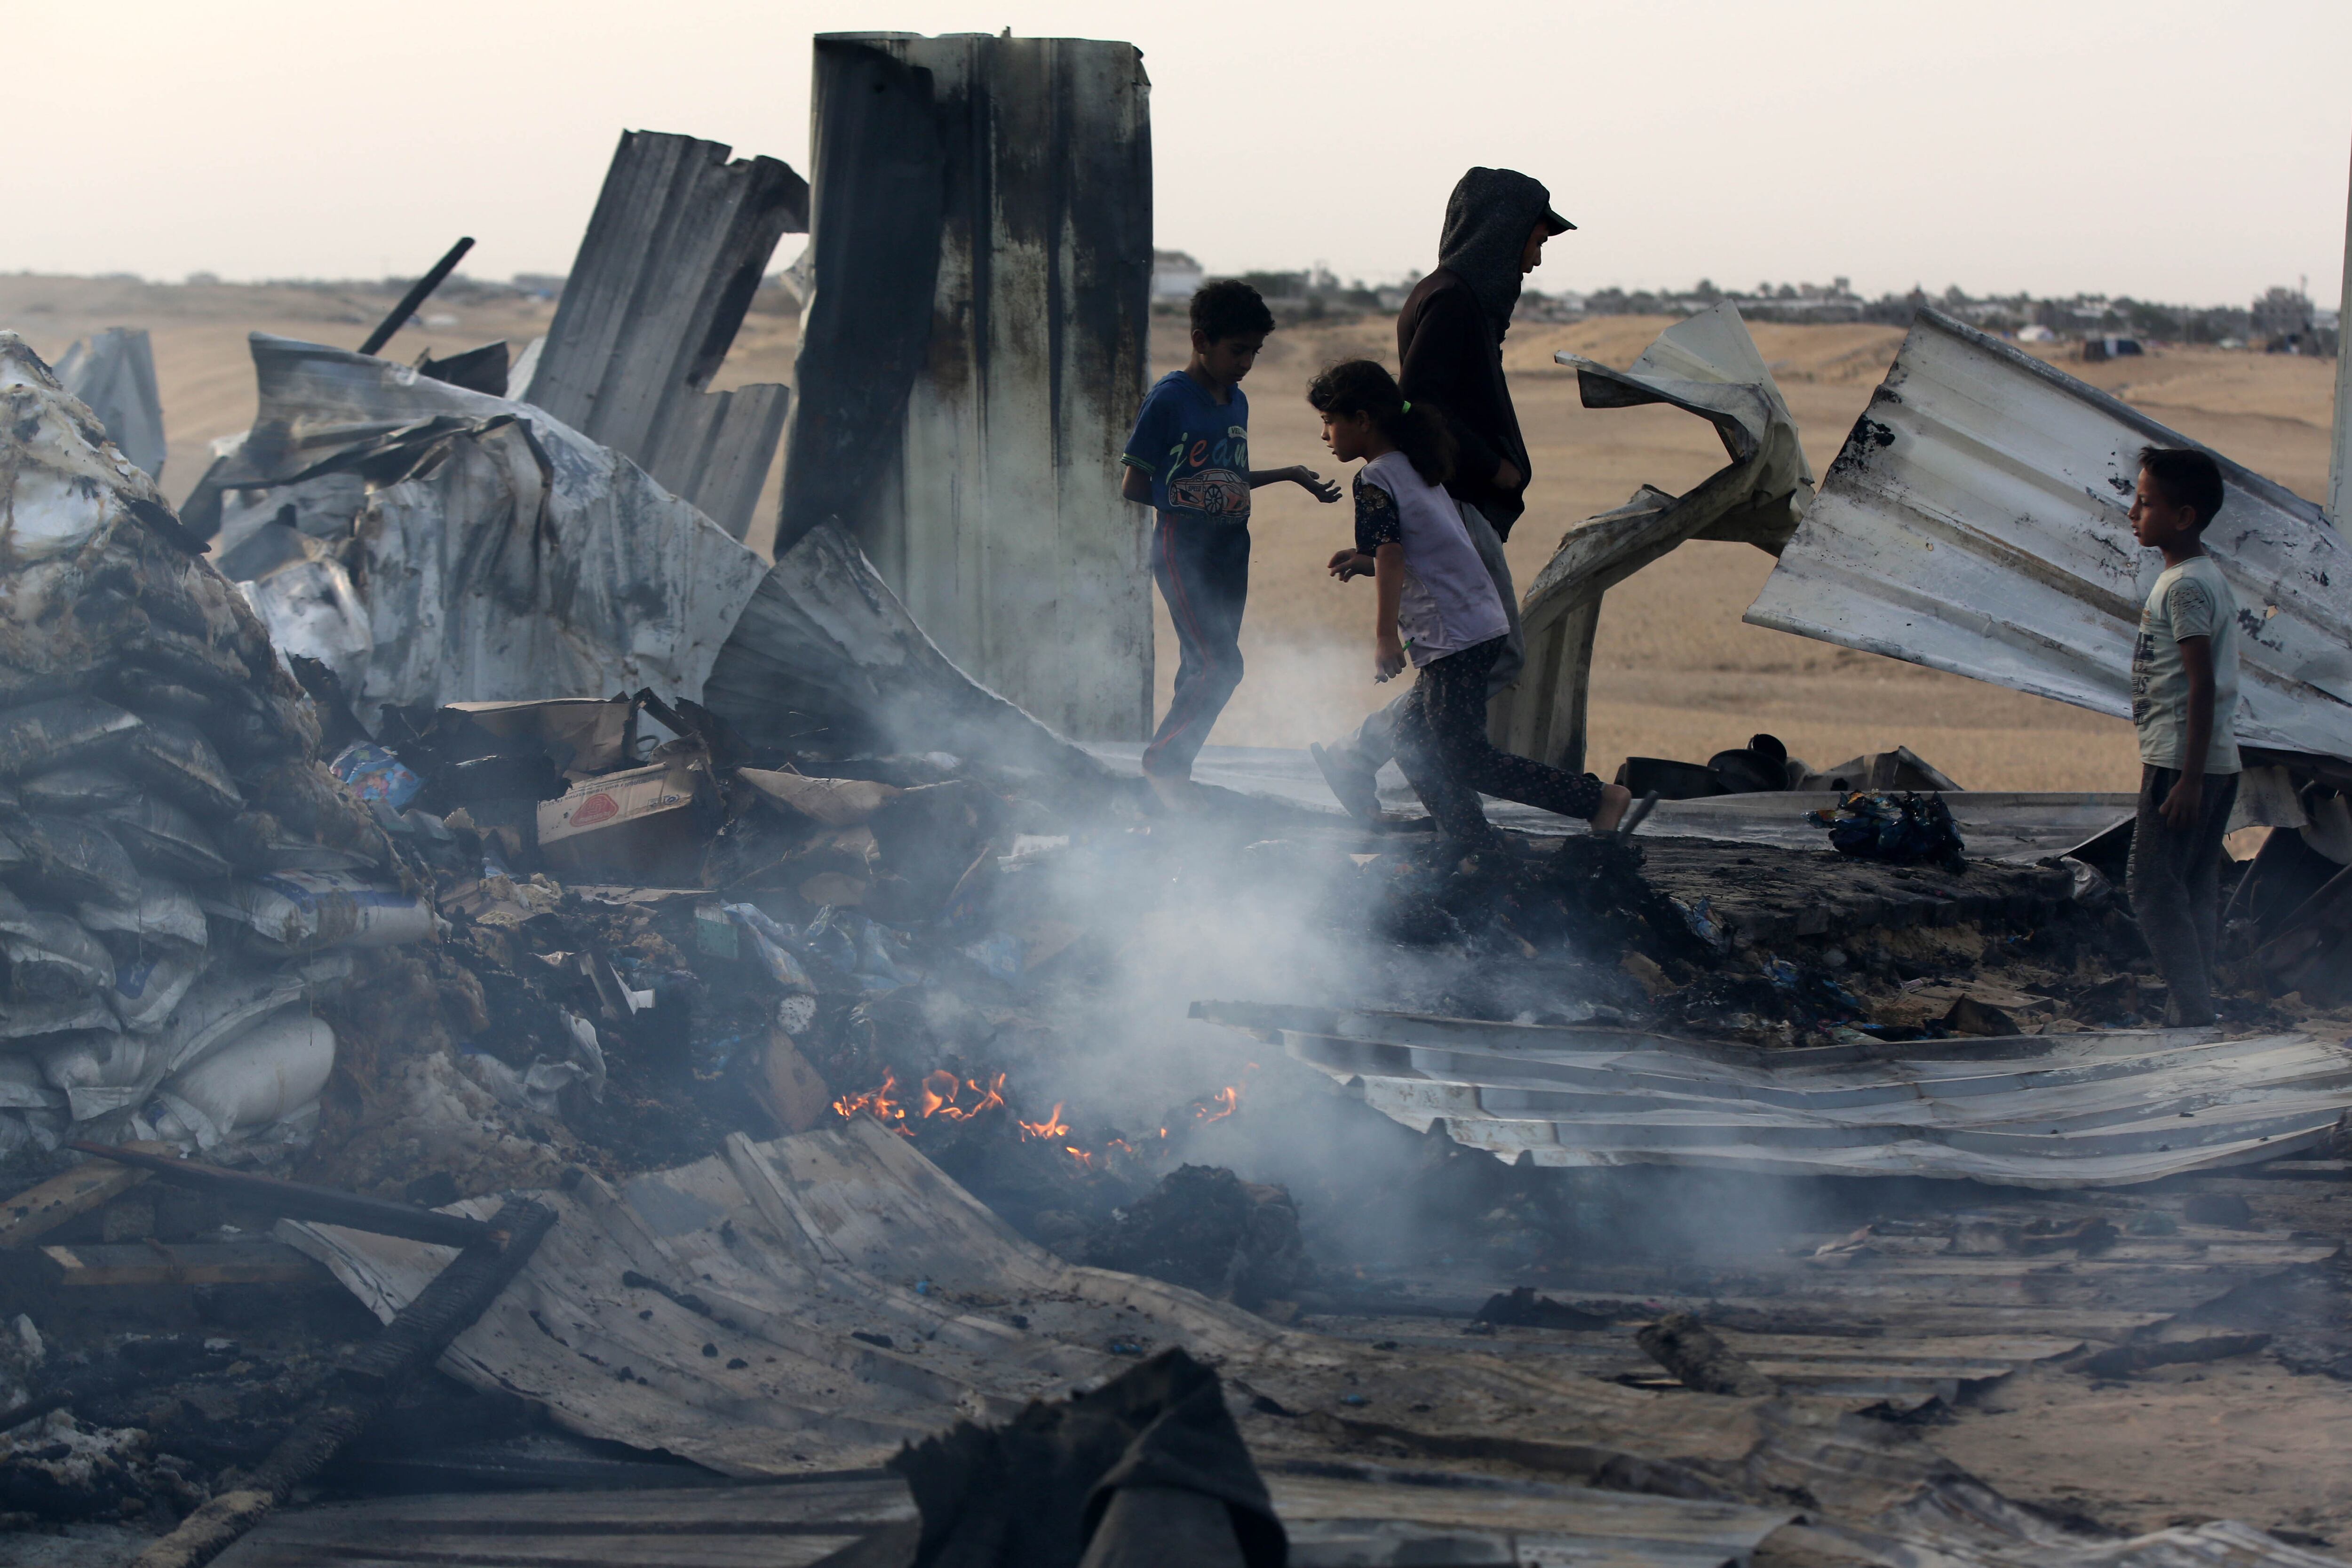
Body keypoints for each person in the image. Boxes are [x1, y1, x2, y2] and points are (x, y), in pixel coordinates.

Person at [1311, 167, 1571, 820]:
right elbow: (1416, 401)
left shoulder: (1458, 299)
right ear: (1499, 232)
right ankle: (1367, 754)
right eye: (1533, 241)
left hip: (1462, 502)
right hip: (1461, 500)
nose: (1534, 262)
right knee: (1494, 651)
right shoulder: (1451, 300)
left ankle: (1379, 763)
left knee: (1473, 655)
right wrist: (1492, 467)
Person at [1311, 359, 1628, 844]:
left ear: (1362, 420)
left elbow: (1393, 555)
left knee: (1463, 757)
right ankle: (1467, 840)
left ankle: (1597, 801)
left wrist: (1382, 639)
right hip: (1473, 624)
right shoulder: (1414, 465)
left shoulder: (1374, 478)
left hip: (1453, 635)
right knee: (1412, 742)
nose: (1324, 435)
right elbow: (1420, 550)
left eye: (1328, 422)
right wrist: (1362, 560)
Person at [1121, 280, 1339, 795]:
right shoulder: (1170, 400)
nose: (1246, 362)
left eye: (1255, 352)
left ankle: (1175, 775)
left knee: (1201, 663)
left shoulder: (1235, 400)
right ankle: (1162, 766)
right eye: (1237, 350)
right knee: (1221, 664)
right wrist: (1193, 500)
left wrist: (1288, 474)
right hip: (1184, 546)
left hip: (1231, 547)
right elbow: (1135, 484)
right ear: (1200, 340)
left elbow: (1228, 477)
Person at [2125, 445, 2241, 1026]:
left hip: (2181, 763)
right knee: (2192, 885)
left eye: (2144, 503)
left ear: (2183, 517)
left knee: (2148, 885)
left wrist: (2188, 780)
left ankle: (2193, 1012)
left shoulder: (2183, 589)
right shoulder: (2201, 577)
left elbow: (2201, 685)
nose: (2131, 514)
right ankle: (2189, 1008)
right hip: (2211, 760)